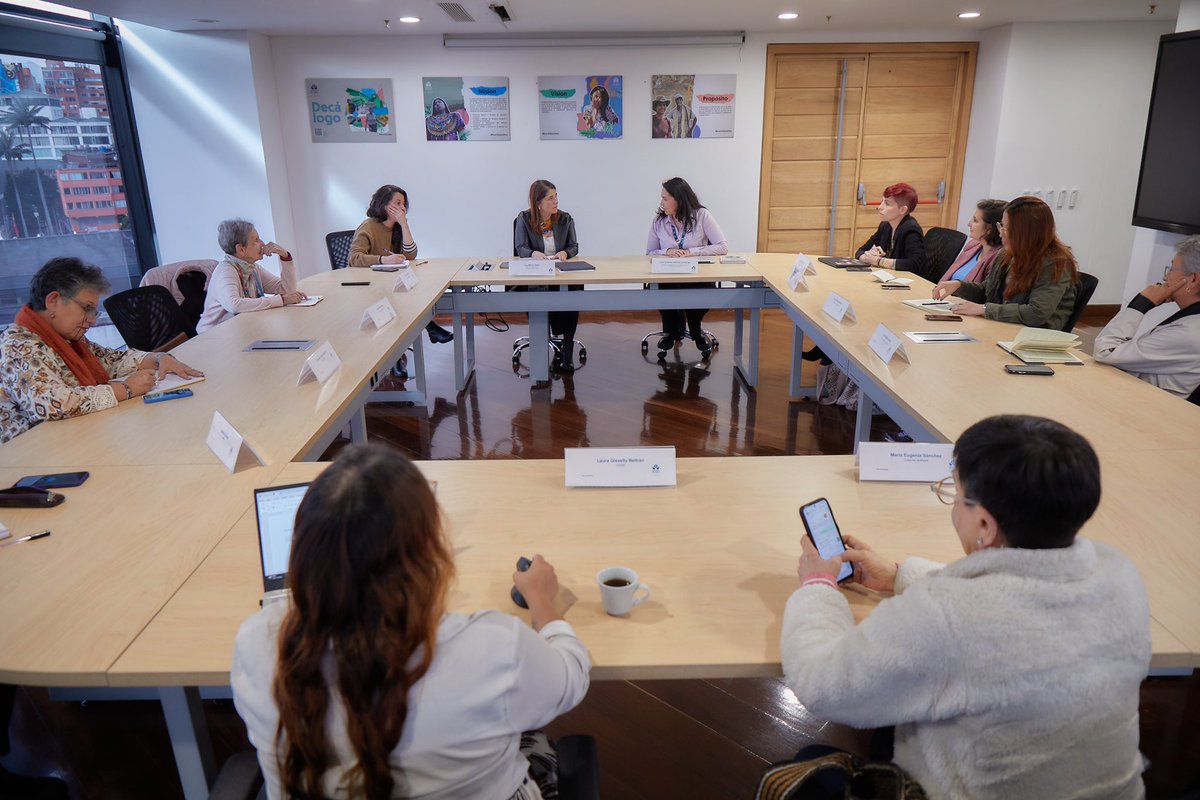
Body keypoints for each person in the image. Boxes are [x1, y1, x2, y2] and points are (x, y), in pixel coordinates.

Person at [781, 414, 1151, 799]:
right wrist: (897, 576)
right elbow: (1012, 602)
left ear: (985, 526)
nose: (953, 505)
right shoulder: (1119, 573)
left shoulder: (945, 616)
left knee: (808, 765)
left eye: (954, 494)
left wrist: (818, 586)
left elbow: (822, 685)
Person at [231, 444, 590, 800]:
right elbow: (571, 675)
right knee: (532, 738)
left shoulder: (255, 645)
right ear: (427, 553)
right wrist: (541, 598)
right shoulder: (490, 650)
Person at [0, 257, 204, 443]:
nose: (92, 319)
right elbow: (54, 404)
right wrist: (126, 389)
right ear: (53, 301)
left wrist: (157, 358)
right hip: (32, 453)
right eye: (86, 308)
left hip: (74, 437)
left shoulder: (66, 337)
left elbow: (109, 360)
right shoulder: (18, 344)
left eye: (93, 310)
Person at [933, 196, 1077, 330]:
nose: (1000, 231)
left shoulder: (1055, 263)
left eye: (1005, 227)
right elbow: (987, 290)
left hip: (1034, 339)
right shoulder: (1007, 254)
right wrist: (959, 286)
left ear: (1024, 232)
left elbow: (1036, 313)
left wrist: (984, 310)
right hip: (1003, 328)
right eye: (1001, 225)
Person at [1093, 234, 1200, 398]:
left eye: (1171, 269)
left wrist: (1140, 304)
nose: (1165, 277)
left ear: (1193, 279)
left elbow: (1105, 351)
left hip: (1150, 410)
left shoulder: (1188, 333)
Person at [348, 184, 454, 345]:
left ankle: (423, 332)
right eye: (397, 203)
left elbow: (411, 255)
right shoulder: (368, 227)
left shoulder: (397, 227)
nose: (402, 207)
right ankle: (428, 328)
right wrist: (383, 259)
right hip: (370, 286)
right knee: (402, 300)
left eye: (403, 204)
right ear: (383, 204)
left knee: (412, 291)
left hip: (388, 283)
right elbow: (354, 258)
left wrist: (404, 224)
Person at [646, 177, 728, 358]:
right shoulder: (659, 222)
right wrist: (666, 251)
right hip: (668, 276)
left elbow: (722, 247)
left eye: (665, 198)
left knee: (696, 294)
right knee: (664, 292)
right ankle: (671, 332)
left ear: (679, 199)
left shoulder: (701, 216)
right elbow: (650, 252)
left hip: (697, 274)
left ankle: (696, 330)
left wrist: (691, 251)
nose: (661, 202)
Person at [514, 179, 582, 372]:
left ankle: (567, 353)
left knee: (572, 295)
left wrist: (565, 253)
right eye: (551, 198)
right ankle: (541, 351)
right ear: (538, 202)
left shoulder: (565, 218)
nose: (556, 201)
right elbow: (521, 248)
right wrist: (533, 254)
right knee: (538, 297)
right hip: (536, 275)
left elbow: (574, 246)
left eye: (556, 196)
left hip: (560, 272)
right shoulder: (524, 219)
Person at [197, 218, 306, 334]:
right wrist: (282, 300)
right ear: (241, 249)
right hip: (212, 337)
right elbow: (234, 305)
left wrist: (285, 256)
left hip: (239, 331)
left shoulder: (251, 268)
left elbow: (286, 289)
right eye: (256, 240)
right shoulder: (225, 271)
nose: (263, 244)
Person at [855, 182, 927, 274]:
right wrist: (868, 256)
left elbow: (915, 264)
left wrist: (878, 261)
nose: (880, 207)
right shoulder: (885, 226)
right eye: (882, 201)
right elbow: (860, 251)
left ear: (902, 210)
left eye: (887, 203)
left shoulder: (911, 229)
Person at [937, 198, 1006, 283]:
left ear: (990, 229)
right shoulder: (973, 245)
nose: (969, 224)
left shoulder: (998, 259)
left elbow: (982, 294)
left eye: (975, 221)